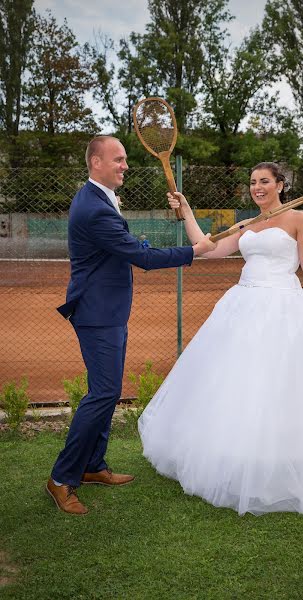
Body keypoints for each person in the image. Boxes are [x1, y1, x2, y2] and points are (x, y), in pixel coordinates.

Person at [139, 162, 303, 516]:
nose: (257, 187)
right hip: (242, 304)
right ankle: (239, 453)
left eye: (265, 181)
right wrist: (186, 210)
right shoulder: (248, 223)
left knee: (282, 384)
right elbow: (208, 248)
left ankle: (283, 456)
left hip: (283, 307)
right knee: (237, 382)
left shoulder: (299, 220)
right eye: (253, 182)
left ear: (280, 185)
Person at [47, 135, 216, 515]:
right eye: (118, 159)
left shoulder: (99, 199)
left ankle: (92, 466)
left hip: (107, 311)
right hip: (97, 314)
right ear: (95, 162)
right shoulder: (94, 208)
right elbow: (140, 255)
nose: (125, 165)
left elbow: (123, 244)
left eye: (125, 160)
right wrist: (194, 251)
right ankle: (61, 478)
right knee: (104, 393)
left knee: (106, 391)